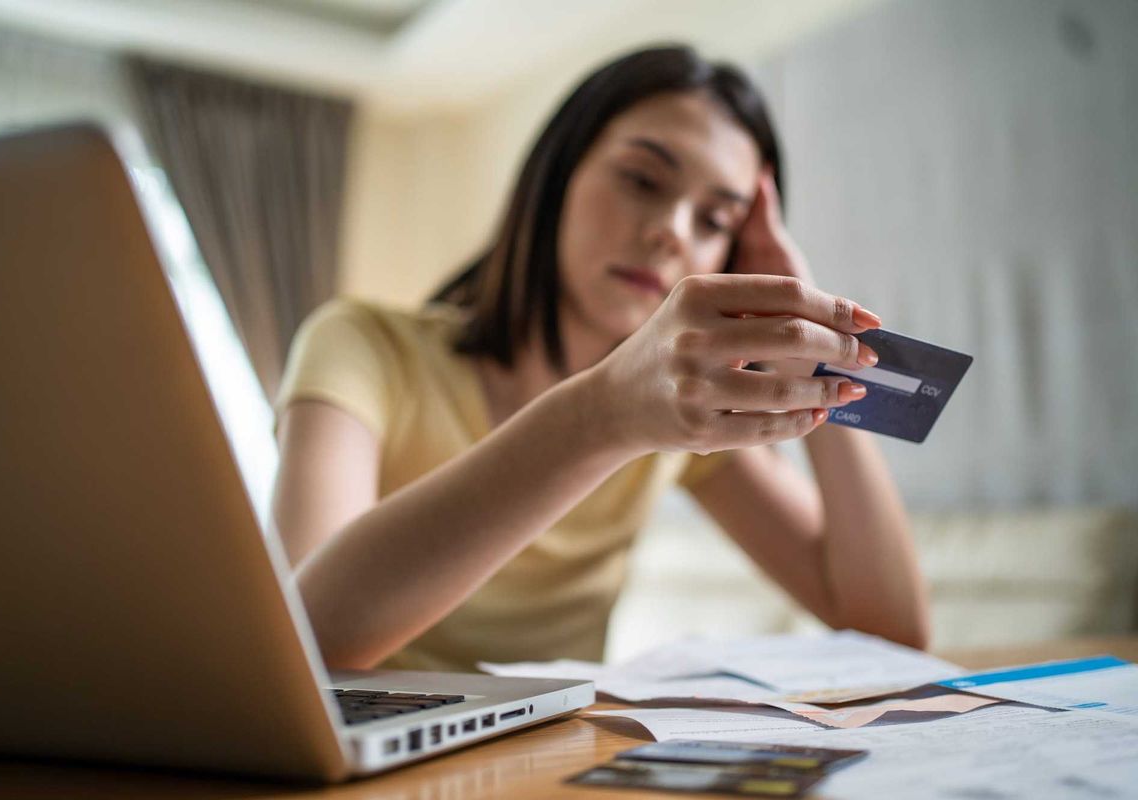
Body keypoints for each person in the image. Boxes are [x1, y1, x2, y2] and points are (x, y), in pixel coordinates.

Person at [272, 45, 929, 673]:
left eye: (715, 221)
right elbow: (301, 643)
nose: (672, 229)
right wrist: (600, 416)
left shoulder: (676, 422)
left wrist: (819, 354)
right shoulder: (360, 346)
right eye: (642, 180)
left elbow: (890, 632)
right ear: (556, 179)